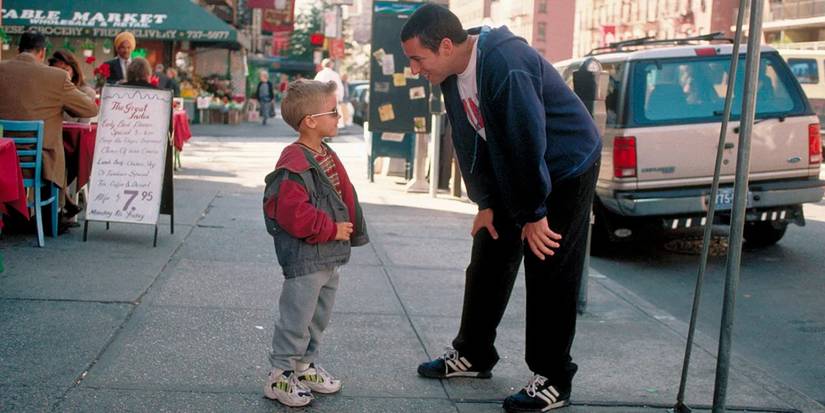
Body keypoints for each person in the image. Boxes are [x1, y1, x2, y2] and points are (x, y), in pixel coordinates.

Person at [401, 4, 602, 412]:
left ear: (444, 45)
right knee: (489, 256)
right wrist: (488, 202)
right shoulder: (452, 70)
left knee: (550, 266)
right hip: (521, 168)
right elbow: (470, 138)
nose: (414, 70)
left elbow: (526, 142)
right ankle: (474, 355)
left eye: (417, 59)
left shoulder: (505, 64)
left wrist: (533, 213)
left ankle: (554, 378)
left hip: (565, 165)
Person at [261, 79, 369, 407]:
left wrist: (351, 232)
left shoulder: (324, 153)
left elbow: (343, 193)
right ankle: (280, 375)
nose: (339, 117)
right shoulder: (295, 161)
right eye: (333, 112)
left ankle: (304, 366)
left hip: (328, 256)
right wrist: (330, 229)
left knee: (318, 317)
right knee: (296, 317)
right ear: (310, 120)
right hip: (307, 255)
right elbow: (291, 212)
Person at [0, 30, 98, 193]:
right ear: (42, 52)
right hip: (38, 164)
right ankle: (55, 209)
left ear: (18, 50)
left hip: (3, 159)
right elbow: (90, 109)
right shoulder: (56, 77)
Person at [48, 50, 97, 123]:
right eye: (57, 71)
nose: (62, 75)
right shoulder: (47, 91)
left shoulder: (86, 92)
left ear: (74, 71)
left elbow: (82, 127)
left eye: (65, 70)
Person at [313, 59, 345, 128]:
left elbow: (314, 86)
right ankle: (333, 126)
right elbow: (339, 87)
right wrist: (340, 98)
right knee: (333, 112)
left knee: (323, 112)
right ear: (331, 65)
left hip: (322, 97)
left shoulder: (320, 74)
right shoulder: (334, 74)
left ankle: (323, 125)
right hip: (333, 97)